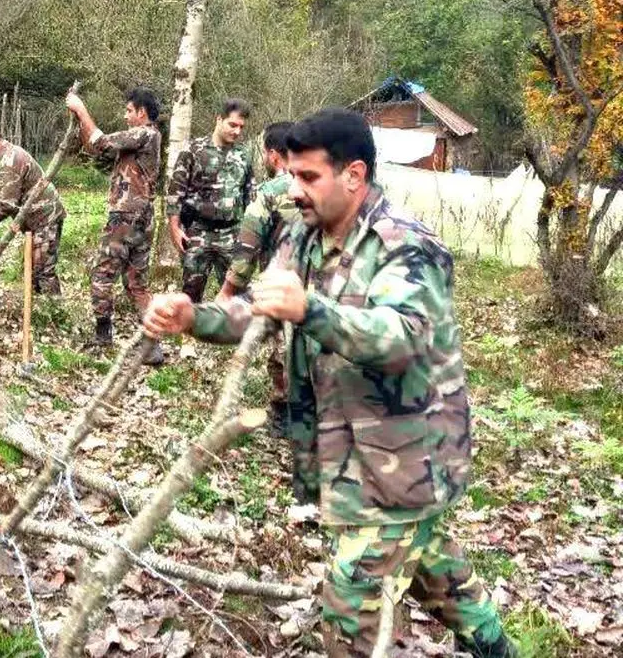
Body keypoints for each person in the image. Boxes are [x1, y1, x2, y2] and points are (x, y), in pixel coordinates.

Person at [141, 108, 516, 658]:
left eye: (309, 177)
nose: (295, 190)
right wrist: (194, 317)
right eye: (291, 175)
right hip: (348, 456)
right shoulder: (302, 237)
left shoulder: (408, 247)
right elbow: (260, 309)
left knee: (348, 610)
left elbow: (401, 337)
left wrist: (310, 309)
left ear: (355, 175)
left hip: (405, 462)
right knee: (441, 577)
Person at [65, 87, 164, 365]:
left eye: (129, 111)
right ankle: (152, 344)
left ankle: (103, 335)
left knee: (102, 274)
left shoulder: (145, 134)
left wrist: (81, 108)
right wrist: (80, 120)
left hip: (125, 217)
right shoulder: (138, 142)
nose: (125, 116)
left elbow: (102, 141)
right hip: (142, 217)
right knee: (136, 283)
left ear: (142, 113)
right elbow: (95, 148)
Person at [218, 120, 298, 437]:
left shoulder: (271, 192)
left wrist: (227, 291)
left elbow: (246, 248)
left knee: (283, 349)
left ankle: (282, 412)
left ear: (274, 155)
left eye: (266, 153)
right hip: (323, 288)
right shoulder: (326, 187)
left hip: (279, 287)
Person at [166, 98, 254, 302]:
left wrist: (249, 235)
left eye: (241, 127)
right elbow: (175, 192)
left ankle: (231, 333)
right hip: (198, 232)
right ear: (219, 119)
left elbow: (251, 195)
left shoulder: (243, 155)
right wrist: (175, 228)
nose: (237, 131)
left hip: (232, 234)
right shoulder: (194, 150)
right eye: (232, 125)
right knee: (191, 293)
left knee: (237, 295)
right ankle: (189, 333)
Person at [0, 126, 66, 295]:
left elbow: (7, 203)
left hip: (45, 217)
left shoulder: (10, 160)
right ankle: (38, 310)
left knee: (43, 270)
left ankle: (54, 312)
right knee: (33, 268)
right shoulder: (8, 155)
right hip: (37, 218)